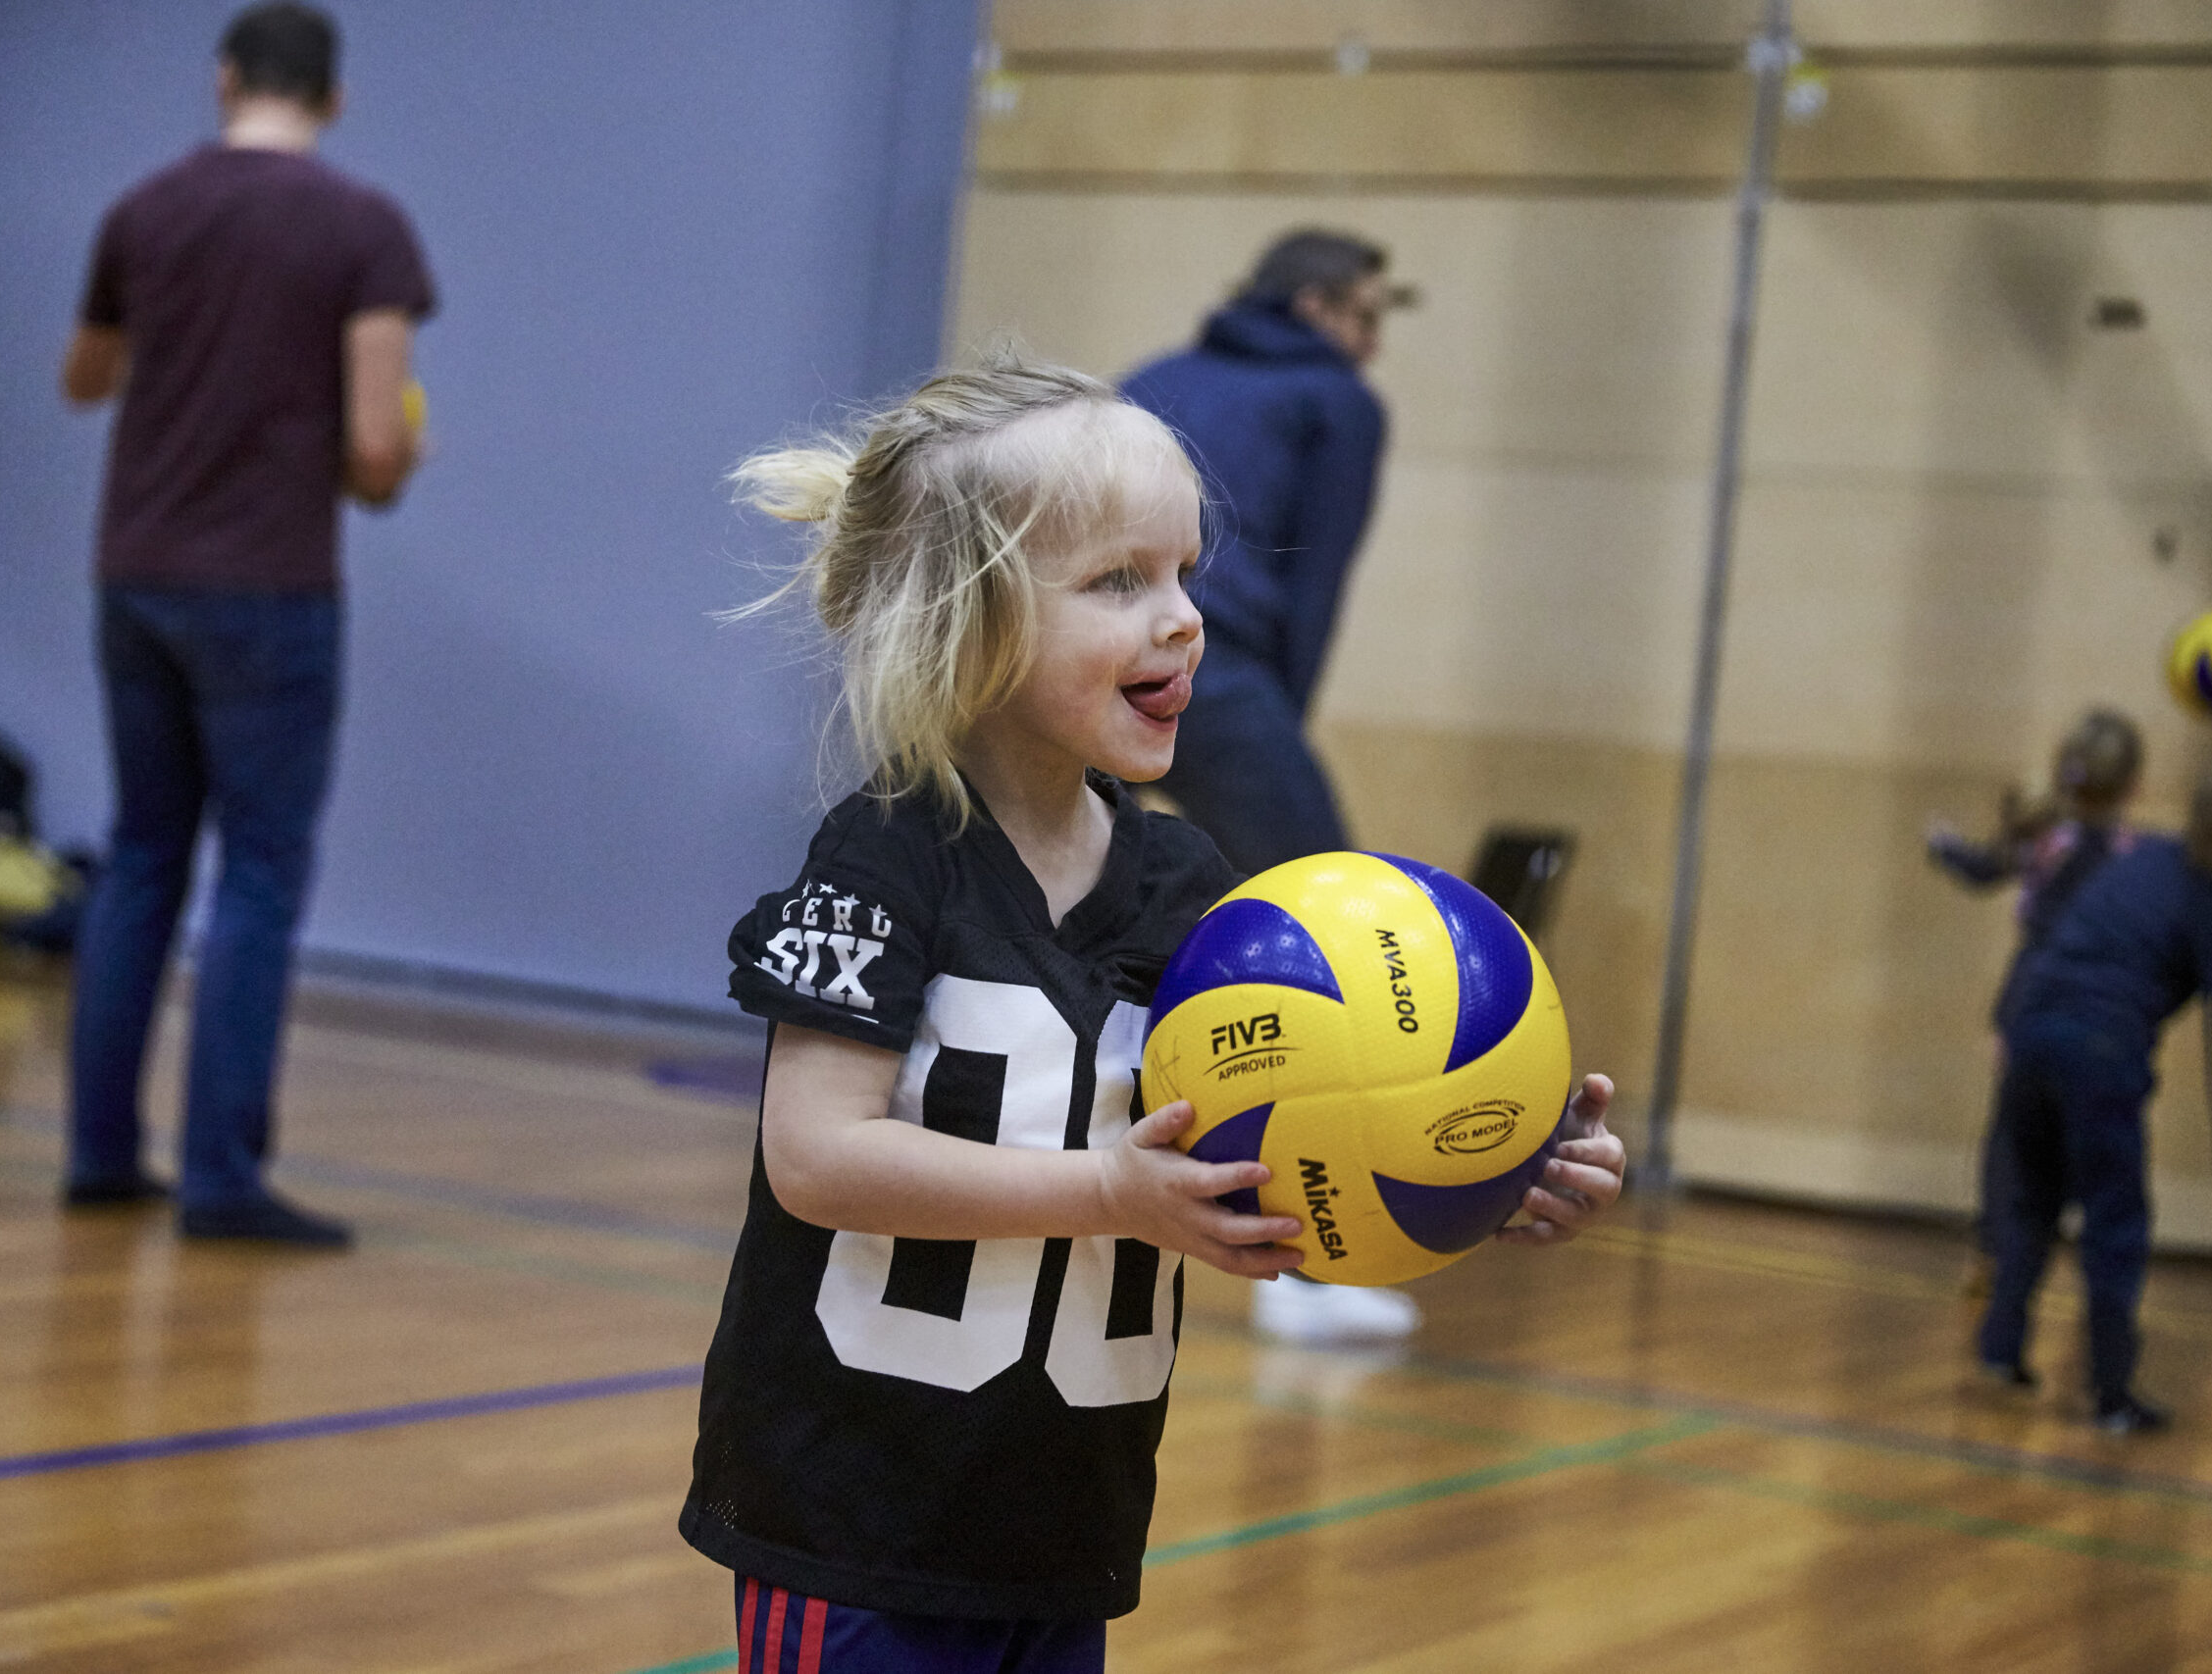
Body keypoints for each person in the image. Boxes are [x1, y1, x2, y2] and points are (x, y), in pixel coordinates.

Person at [683, 355, 1627, 1670]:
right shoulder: (887, 856)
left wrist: (1478, 1160)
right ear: (969, 619)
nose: (1183, 619)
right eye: (1119, 581)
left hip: (1066, 1526)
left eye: (1187, 573)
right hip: (855, 1518)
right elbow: (815, 1155)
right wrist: (1112, 1193)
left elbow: (1272, 1174)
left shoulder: (1198, 897)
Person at [57, 2, 435, 1246]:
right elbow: (375, 451)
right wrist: (382, 463)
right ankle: (220, 1178)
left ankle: (100, 1156)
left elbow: (84, 379)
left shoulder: (142, 210)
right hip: (270, 590)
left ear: (224, 81)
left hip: (138, 574)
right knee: (260, 874)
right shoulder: (363, 230)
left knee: (143, 855)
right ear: (334, 97)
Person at [1119, 229, 1423, 1344]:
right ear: (1312, 305)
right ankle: (1310, 1260)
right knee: (1328, 938)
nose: (1374, 339)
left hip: (1088, 670)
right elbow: (1315, 576)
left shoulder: (1155, 377)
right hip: (1219, 671)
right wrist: (1269, 720)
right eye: (1366, 312)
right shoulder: (1336, 403)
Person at [1974, 751, 2212, 1433]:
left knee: (2033, 1196)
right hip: (2101, 1056)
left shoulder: (2137, 855)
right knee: (2116, 1224)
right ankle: (2111, 1393)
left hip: (2034, 1028)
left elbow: (2055, 934)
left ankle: (2000, 1347)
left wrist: (2010, 1021)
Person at [1928, 708, 2143, 1281]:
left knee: (2013, 1130)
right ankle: (2083, 1259)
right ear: (2134, 783)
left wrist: (1943, 844)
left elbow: (1982, 866)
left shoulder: (2045, 838)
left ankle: (1996, 1251)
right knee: (2093, 1131)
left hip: (2031, 997)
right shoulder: (2135, 854)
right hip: (2103, 1006)